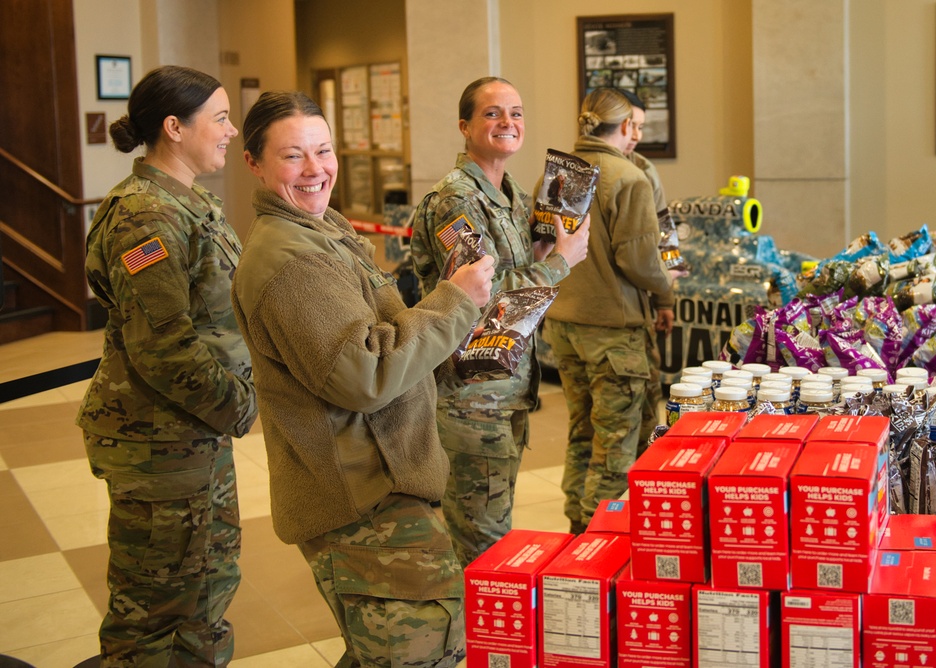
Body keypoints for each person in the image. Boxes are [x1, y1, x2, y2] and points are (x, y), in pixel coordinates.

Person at [232, 90, 495, 667]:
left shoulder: (323, 228)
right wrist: (455, 303)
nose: (315, 170)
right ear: (253, 163)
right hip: (363, 501)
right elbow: (364, 374)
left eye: (322, 151)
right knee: (423, 651)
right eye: (292, 156)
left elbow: (380, 331)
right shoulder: (290, 260)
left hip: (385, 482)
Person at [76, 65, 257, 666]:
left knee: (203, 589)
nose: (232, 130)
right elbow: (163, 346)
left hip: (190, 434)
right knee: (154, 610)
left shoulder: (188, 198)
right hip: (158, 442)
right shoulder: (145, 215)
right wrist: (240, 404)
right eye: (222, 118)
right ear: (175, 127)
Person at [410, 77, 590, 567]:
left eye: (516, 112)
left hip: (502, 390)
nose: (508, 123)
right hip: (471, 398)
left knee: (489, 531)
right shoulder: (456, 201)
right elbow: (478, 298)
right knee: (480, 546)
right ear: (465, 126)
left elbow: (508, 274)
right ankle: (475, 641)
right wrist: (560, 263)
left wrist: (541, 251)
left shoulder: (508, 193)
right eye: (493, 114)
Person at [541, 87, 675, 534]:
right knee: (615, 445)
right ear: (626, 127)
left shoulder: (563, 171)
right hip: (612, 332)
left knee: (581, 432)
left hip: (563, 324)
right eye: (635, 126)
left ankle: (576, 529)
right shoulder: (628, 178)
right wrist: (666, 291)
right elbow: (638, 260)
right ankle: (601, 541)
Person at [620, 89, 672, 448]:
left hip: (635, 308)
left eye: (640, 126)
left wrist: (665, 299)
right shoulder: (577, 168)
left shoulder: (642, 169)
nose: (636, 135)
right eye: (630, 125)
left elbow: (664, 237)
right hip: (615, 319)